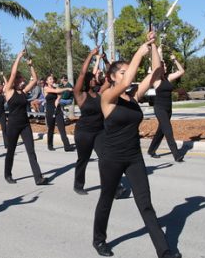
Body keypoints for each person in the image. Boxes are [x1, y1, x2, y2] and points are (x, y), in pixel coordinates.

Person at [93, 31, 181, 258]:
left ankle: (163, 251)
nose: (127, 75)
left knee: (145, 203)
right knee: (106, 200)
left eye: (127, 71)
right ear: (113, 77)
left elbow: (156, 74)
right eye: (122, 72)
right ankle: (99, 239)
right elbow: (132, 72)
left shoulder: (133, 97)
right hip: (111, 158)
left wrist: (151, 47)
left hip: (134, 157)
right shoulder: (108, 98)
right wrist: (138, 53)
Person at [3, 50, 48, 185]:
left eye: (22, 79)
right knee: (11, 151)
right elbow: (12, 73)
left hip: (25, 125)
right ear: (15, 80)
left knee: (31, 151)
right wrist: (18, 57)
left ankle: (38, 178)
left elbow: (34, 80)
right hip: (13, 125)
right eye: (20, 78)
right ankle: (8, 174)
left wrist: (30, 65)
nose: (22, 81)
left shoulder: (23, 92)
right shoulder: (9, 91)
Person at [73, 48, 107, 195]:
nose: (94, 79)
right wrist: (90, 55)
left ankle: (113, 186)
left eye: (94, 77)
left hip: (100, 131)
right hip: (84, 133)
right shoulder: (81, 95)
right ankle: (78, 185)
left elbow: (112, 78)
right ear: (87, 82)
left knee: (106, 158)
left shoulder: (100, 94)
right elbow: (81, 73)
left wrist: (104, 60)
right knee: (83, 159)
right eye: (92, 78)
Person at [147, 47, 186, 162]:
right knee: (168, 131)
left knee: (161, 131)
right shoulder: (156, 80)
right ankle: (177, 155)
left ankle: (151, 150)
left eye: (165, 66)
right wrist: (159, 53)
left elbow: (181, 71)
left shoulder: (168, 78)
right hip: (159, 108)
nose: (165, 67)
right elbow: (156, 65)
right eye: (163, 66)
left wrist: (175, 60)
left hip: (168, 109)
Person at [44, 74, 76, 152]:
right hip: (50, 110)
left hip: (58, 109)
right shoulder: (46, 88)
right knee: (51, 128)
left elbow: (60, 94)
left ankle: (67, 146)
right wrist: (67, 88)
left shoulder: (56, 87)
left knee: (62, 128)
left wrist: (58, 99)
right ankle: (50, 145)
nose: (52, 80)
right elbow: (56, 91)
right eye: (50, 79)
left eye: (52, 79)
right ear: (47, 81)